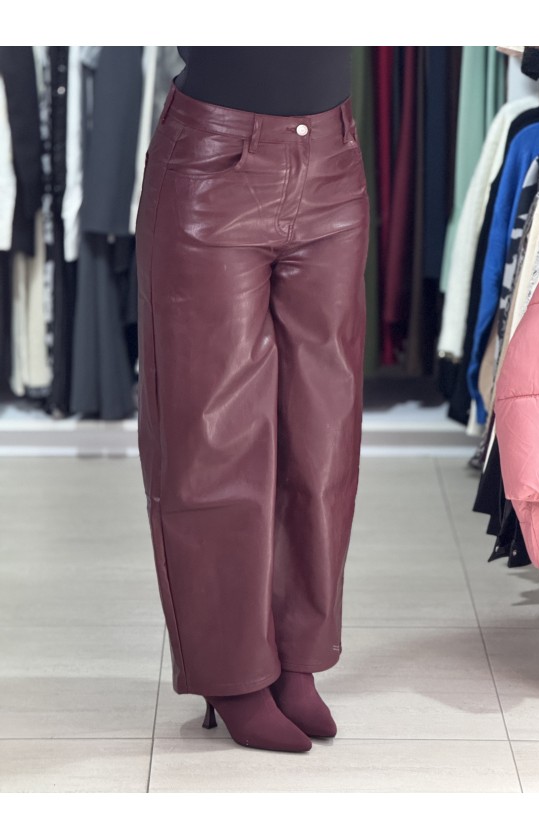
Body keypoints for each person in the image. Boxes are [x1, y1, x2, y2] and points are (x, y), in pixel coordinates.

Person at [135, 46, 369, 753]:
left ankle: (297, 659)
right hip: (214, 162)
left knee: (322, 436)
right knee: (215, 433)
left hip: (332, 158)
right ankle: (232, 673)